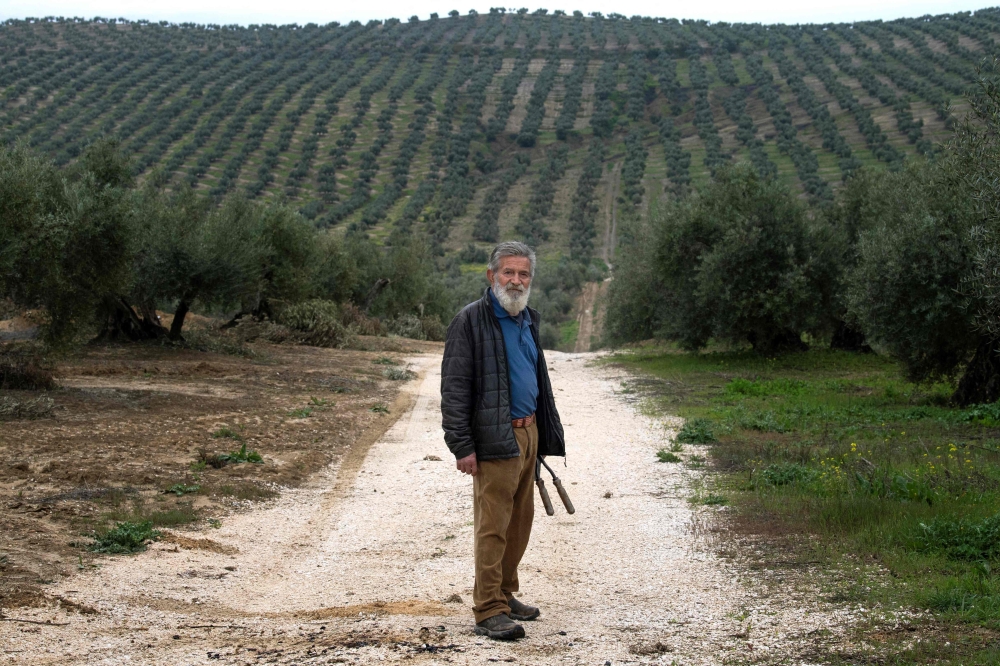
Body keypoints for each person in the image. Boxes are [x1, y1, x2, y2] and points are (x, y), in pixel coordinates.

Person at [440, 240, 566, 641]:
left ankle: (505, 594)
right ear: (491, 275)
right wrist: (462, 445)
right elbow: (455, 387)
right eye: (508, 272)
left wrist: (542, 433)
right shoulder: (470, 320)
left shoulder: (527, 318)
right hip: (495, 435)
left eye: (523, 274)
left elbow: (535, 380)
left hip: (528, 434)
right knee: (493, 526)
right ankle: (488, 610)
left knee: (519, 523)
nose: (516, 280)